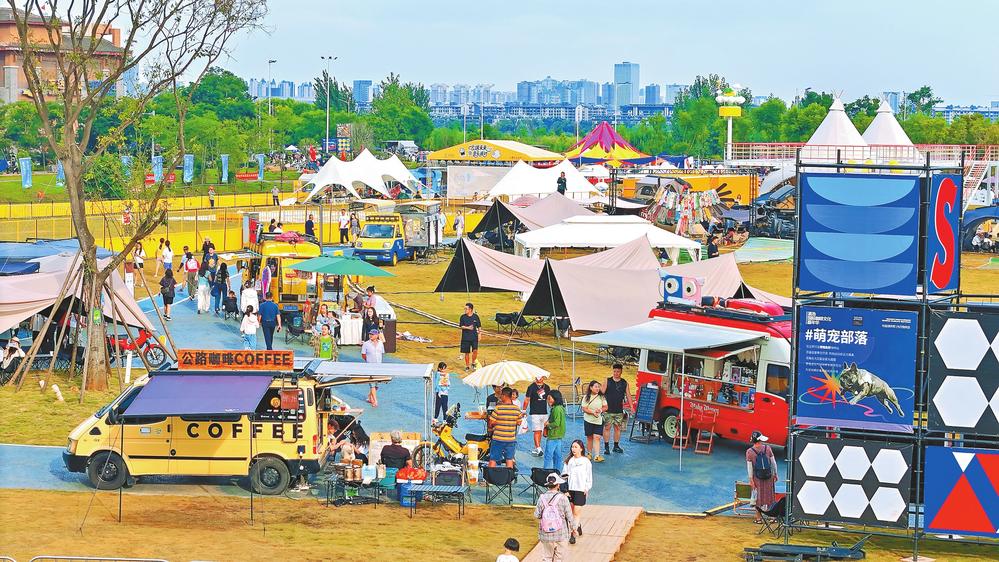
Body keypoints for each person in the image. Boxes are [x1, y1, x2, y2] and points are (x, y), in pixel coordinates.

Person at [534, 472, 574, 560]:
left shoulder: (542, 498)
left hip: (546, 533)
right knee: (559, 557)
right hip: (561, 533)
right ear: (558, 485)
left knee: (547, 557)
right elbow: (569, 515)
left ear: (548, 486)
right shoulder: (563, 498)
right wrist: (573, 528)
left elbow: (537, 515)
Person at [562, 439, 592, 542]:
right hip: (570, 490)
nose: (573, 449)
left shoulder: (586, 461)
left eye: (576, 447)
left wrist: (586, 488)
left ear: (581, 449)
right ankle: (577, 525)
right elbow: (564, 476)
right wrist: (565, 490)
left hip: (580, 490)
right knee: (570, 512)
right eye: (572, 447)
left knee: (576, 512)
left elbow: (589, 477)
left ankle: (573, 534)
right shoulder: (569, 461)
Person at [747, 430, 778, 523]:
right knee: (770, 496)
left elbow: (750, 467)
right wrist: (775, 474)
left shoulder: (749, 452)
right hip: (769, 476)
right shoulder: (767, 448)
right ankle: (772, 517)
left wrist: (751, 480)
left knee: (758, 497)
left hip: (757, 478)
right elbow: (773, 463)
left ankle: (758, 519)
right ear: (760, 440)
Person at [602, 363, 634, 456]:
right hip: (608, 409)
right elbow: (601, 392)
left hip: (619, 410)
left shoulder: (625, 383)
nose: (616, 373)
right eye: (614, 371)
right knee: (607, 427)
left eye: (618, 371)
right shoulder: (607, 381)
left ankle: (616, 446)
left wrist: (631, 406)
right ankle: (606, 447)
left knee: (617, 428)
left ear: (621, 372)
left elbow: (628, 395)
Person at [488, 387, 522, 468]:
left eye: (501, 395)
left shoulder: (498, 408)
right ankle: (508, 475)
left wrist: (499, 422)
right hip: (510, 439)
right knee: (509, 459)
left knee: (493, 459)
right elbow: (519, 422)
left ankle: (490, 475)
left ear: (504, 396)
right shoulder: (517, 409)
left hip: (498, 438)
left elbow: (491, 423)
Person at [524, 375, 552, 457]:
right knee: (537, 431)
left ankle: (539, 447)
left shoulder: (547, 387)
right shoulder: (531, 387)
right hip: (535, 413)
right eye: (538, 377)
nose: (539, 378)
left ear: (543, 377)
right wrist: (524, 410)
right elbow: (527, 399)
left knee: (545, 432)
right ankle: (538, 448)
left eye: (541, 377)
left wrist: (552, 408)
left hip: (544, 412)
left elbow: (549, 399)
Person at [581, 380, 608, 462]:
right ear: (591, 388)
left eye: (598, 387)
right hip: (588, 420)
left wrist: (600, 410)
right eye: (595, 387)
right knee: (589, 437)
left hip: (598, 420)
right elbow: (584, 408)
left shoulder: (601, 397)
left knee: (597, 437)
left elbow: (605, 407)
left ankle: (597, 455)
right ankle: (589, 453)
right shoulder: (586, 397)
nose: (597, 388)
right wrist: (593, 412)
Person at [543, 390, 566, 471]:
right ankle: (557, 472)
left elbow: (556, 423)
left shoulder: (556, 409)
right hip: (559, 435)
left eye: (550, 398)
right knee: (557, 456)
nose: (548, 400)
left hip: (553, 434)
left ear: (555, 398)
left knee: (548, 455)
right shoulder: (560, 408)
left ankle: (546, 472)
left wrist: (547, 425)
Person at [361, 329, 384, 406]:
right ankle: (375, 401)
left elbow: (381, 353)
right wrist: (368, 361)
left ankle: (370, 396)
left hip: (379, 367)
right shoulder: (366, 344)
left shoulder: (381, 343)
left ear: (377, 335)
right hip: (370, 367)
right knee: (372, 384)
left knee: (376, 385)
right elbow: (363, 355)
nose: (371, 335)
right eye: (370, 334)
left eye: (372, 334)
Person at [459, 302, 482, 371]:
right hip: (465, 337)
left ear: (470, 309)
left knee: (475, 350)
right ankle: (467, 366)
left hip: (474, 337)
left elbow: (479, 326)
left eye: (466, 309)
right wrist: (468, 328)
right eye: (465, 309)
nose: (465, 310)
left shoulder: (475, 317)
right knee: (467, 352)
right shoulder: (463, 317)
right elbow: (461, 326)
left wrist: (480, 334)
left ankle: (473, 363)